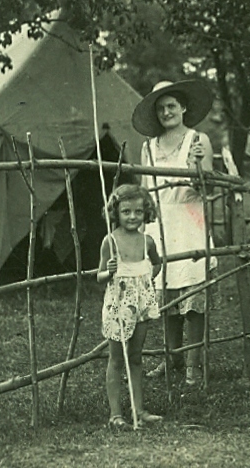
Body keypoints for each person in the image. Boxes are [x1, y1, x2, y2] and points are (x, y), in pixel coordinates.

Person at [132, 79, 216, 386]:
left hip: (189, 221)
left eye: (171, 106)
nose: (167, 112)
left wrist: (196, 168)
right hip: (160, 223)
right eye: (161, 108)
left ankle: (193, 364)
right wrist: (141, 229)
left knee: (192, 296)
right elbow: (145, 191)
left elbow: (205, 188)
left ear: (183, 107)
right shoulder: (148, 147)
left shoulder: (198, 140)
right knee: (165, 295)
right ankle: (172, 359)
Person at [98, 184, 164, 430]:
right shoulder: (110, 241)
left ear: (145, 212)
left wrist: (146, 280)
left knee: (136, 358)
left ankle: (140, 410)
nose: (133, 216)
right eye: (126, 212)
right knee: (117, 359)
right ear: (116, 213)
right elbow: (99, 276)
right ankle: (115, 414)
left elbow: (156, 264)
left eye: (138, 211)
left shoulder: (147, 242)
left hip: (141, 305)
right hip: (119, 305)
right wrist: (110, 271)